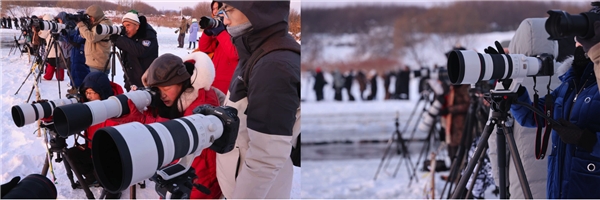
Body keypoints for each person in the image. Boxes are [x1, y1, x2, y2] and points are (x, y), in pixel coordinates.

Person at [215, 1, 300, 198]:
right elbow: (246, 105)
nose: (224, 19)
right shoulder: (255, 48)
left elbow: (266, 156)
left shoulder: (274, 66)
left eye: (229, 10)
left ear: (257, 9)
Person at [487, 18, 560, 199]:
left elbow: (496, 141)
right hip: (566, 180)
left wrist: (500, 180)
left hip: (523, 178)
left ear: (517, 42)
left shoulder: (510, 83)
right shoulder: (569, 76)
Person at [139, 52, 224, 199]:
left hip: (198, 183)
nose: (162, 95)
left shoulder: (200, 108)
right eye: (158, 90)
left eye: (166, 89)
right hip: (177, 178)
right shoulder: (176, 102)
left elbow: (177, 144)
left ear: (182, 82)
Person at [65, 72, 124, 198]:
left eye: (92, 92)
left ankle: (113, 188)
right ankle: (92, 178)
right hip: (92, 148)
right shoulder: (88, 107)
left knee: (103, 170)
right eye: (86, 93)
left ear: (102, 92)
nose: (88, 96)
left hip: (112, 155)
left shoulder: (118, 107)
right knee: (71, 155)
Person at [195, 0, 239, 94]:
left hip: (230, 85)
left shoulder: (236, 29)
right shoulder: (219, 31)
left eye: (217, 8)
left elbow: (234, 54)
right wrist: (207, 33)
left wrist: (221, 33)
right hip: (215, 80)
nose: (215, 12)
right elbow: (204, 48)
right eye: (213, 9)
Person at [109, 11, 158, 91]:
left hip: (146, 82)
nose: (126, 29)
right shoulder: (129, 36)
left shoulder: (148, 34)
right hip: (131, 82)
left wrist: (120, 40)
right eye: (124, 26)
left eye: (128, 25)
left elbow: (140, 51)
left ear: (137, 26)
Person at [77, 5, 113, 74]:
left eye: (90, 17)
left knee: (98, 84)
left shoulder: (104, 25)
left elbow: (92, 38)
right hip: (93, 62)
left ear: (96, 16)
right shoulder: (95, 23)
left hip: (98, 64)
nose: (90, 19)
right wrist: (85, 24)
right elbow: (84, 36)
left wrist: (81, 25)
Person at [64, 12, 90, 91]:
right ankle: (74, 87)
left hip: (82, 56)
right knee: (74, 71)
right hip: (75, 55)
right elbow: (71, 39)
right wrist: (65, 34)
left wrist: (78, 45)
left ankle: (81, 89)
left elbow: (87, 41)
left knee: (81, 72)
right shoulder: (78, 29)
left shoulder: (87, 29)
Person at [39, 14, 65, 82]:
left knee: (51, 63)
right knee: (59, 64)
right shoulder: (57, 25)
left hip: (52, 49)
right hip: (59, 48)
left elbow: (42, 35)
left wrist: (41, 29)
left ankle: (48, 76)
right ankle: (60, 77)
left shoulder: (48, 27)